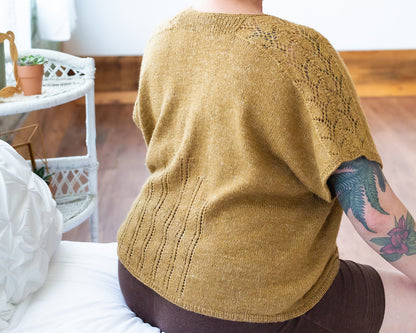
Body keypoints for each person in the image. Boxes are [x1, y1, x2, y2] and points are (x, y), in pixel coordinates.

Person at [117, 0, 416, 332]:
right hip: (239, 305)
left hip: (137, 271)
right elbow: (374, 213)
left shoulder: (163, 36)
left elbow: (158, 144)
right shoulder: (299, 51)